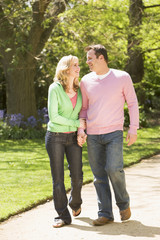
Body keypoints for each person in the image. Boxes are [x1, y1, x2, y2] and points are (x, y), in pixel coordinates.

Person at [78, 44, 139, 226]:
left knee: (114, 169)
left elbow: (133, 103)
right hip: (93, 134)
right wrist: (82, 129)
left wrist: (133, 128)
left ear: (101, 58)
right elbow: (84, 108)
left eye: (90, 58)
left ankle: (123, 204)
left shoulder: (122, 77)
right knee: (98, 176)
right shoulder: (86, 81)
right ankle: (105, 213)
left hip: (114, 132)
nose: (87, 62)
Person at [45, 55, 86, 228]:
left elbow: (82, 112)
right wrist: (77, 124)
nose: (78, 67)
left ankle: (75, 203)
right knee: (58, 179)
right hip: (55, 137)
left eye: (78, 64)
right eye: (74, 65)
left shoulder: (80, 88)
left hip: (73, 138)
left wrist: (80, 130)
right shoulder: (54, 88)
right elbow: (54, 117)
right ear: (65, 68)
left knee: (77, 176)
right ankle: (62, 215)